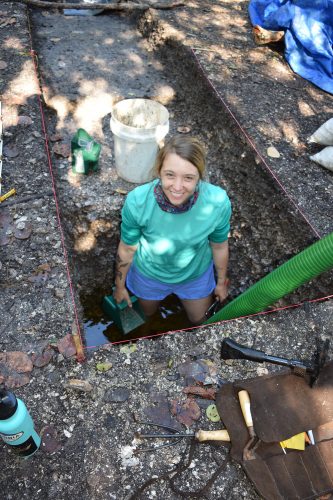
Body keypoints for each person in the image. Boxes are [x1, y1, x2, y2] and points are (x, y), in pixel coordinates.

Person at [113, 135, 231, 325]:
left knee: (200, 322)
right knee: (146, 319)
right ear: (158, 171)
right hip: (148, 275)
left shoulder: (217, 203)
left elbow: (219, 245)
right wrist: (119, 286)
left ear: (199, 177)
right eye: (170, 175)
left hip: (195, 276)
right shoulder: (137, 201)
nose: (177, 187)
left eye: (188, 178)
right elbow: (127, 248)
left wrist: (221, 283)